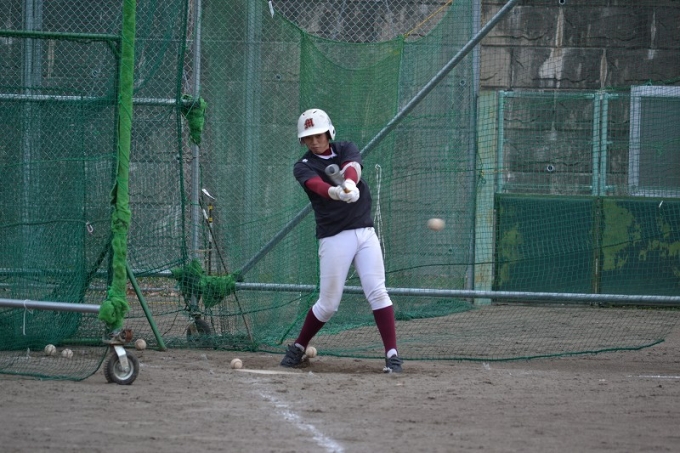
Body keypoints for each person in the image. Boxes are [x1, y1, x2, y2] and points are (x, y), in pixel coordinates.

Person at [280, 108, 403, 373]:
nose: (314, 141)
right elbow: (316, 185)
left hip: (365, 232)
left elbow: (352, 167)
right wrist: (337, 192)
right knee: (328, 305)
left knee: (378, 291)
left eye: (318, 135)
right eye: (308, 137)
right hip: (335, 237)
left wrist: (350, 184)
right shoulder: (303, 166)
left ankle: (392, 355)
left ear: (329, 133)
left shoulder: (346, 147)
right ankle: (299, 347)